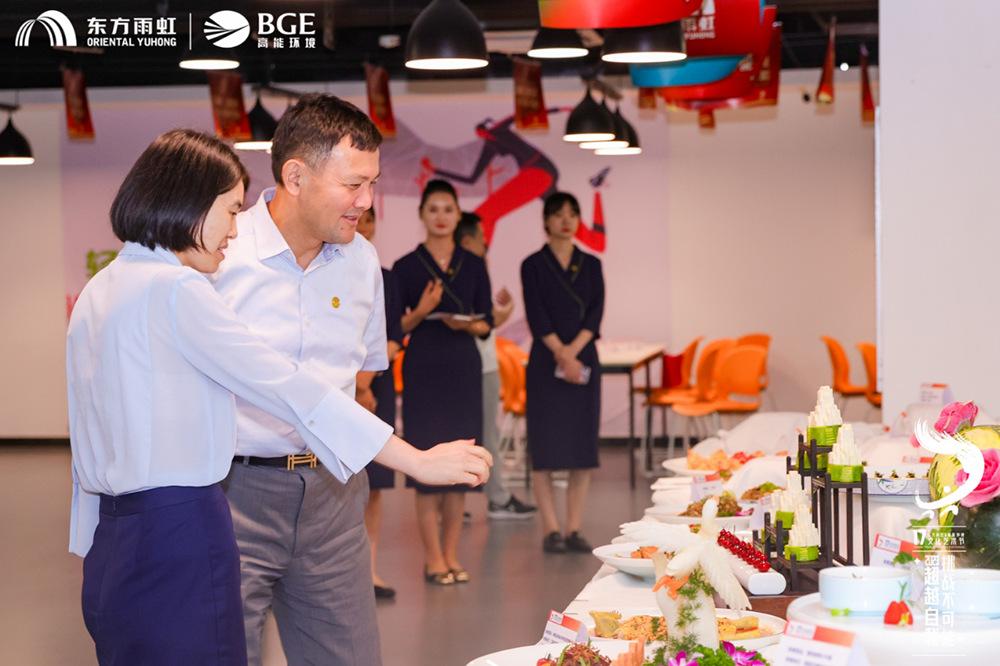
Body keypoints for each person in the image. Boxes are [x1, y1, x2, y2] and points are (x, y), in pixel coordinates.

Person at [67, 129, 490, 666]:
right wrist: (417, 461)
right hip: (181, 524)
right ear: (187, 203)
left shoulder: (103, 287)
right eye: (229, 210)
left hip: (113, 533)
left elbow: (86, 435)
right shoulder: (178, 289)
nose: (234, 229)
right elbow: (288, 388)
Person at [209, 96, 490, 666]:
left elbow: (360, 386)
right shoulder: (222, 256)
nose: (367, 201)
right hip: (233, 495)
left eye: (373, 183)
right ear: (295, 176)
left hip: (334, 496)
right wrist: (413, 459)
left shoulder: (362, 261)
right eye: (353, 185)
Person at [392, 180, 494, 584]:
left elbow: (486, 322)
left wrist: (467, 324)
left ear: (458, 215)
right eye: (433, 209)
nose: (440, 216)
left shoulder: (473, 264)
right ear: (422, 214)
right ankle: (432, 558)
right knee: (427, 467)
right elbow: (397, 327)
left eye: (448, 209)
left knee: (459, 468)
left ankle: (451, 555)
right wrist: (423, 311)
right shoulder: (406, 266)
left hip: (463, 367)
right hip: (423, 367)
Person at [520, 191, 605, 554]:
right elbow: (536, 315)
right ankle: (551, 529)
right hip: (546, 362)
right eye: (558, 214)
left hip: (583, 359)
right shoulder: (533, 265)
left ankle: (574, 528)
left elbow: (595, 315)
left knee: (581, 449)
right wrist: (560, 352)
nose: (566, 220)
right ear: (546, 221)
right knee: (545, 447)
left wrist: (572, 354)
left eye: (573, 213)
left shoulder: (592, 264)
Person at [453, 211, 537, 519]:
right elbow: (475, 324)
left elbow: (484, 323)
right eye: (482, 239)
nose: (486, 244)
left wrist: (503, 312)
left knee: (479, 431)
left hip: (480, 364)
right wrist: (502, 313)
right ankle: (493, 499)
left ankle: (458, 501)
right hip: (474, 366)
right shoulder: (462, 273)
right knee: (483, 432)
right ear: (467, 241)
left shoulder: (471, 270)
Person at [355, 205, 404, 599]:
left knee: (373, 486)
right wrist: (355, 387)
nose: (361, 221)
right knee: (338, 487)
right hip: (335, 393)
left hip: (374, 389)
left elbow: (393, 336)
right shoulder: (324, 267)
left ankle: (369, 570)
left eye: (369, 216)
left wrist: (366, 385)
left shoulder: (386, 275)